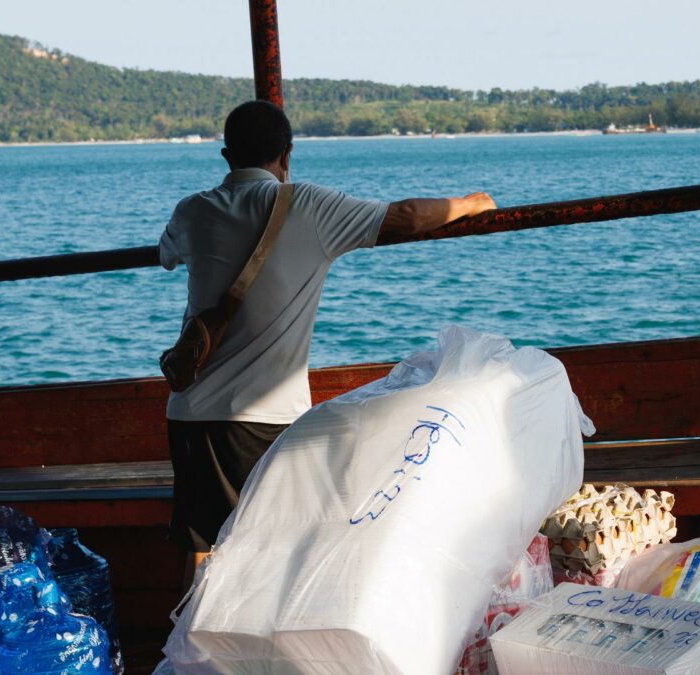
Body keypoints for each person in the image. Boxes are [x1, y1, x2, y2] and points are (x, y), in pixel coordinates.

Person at [159, 100, 495, 580]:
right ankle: (248, 646)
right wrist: (471, 203)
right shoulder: (309, 206)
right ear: (287, 155)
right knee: (275, 543)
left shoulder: (192, 210)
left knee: (202, 541)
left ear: (226, 156)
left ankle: (188, 644)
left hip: (189, 409)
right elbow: (407, 215)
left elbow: (167, 255)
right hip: (263, 419)